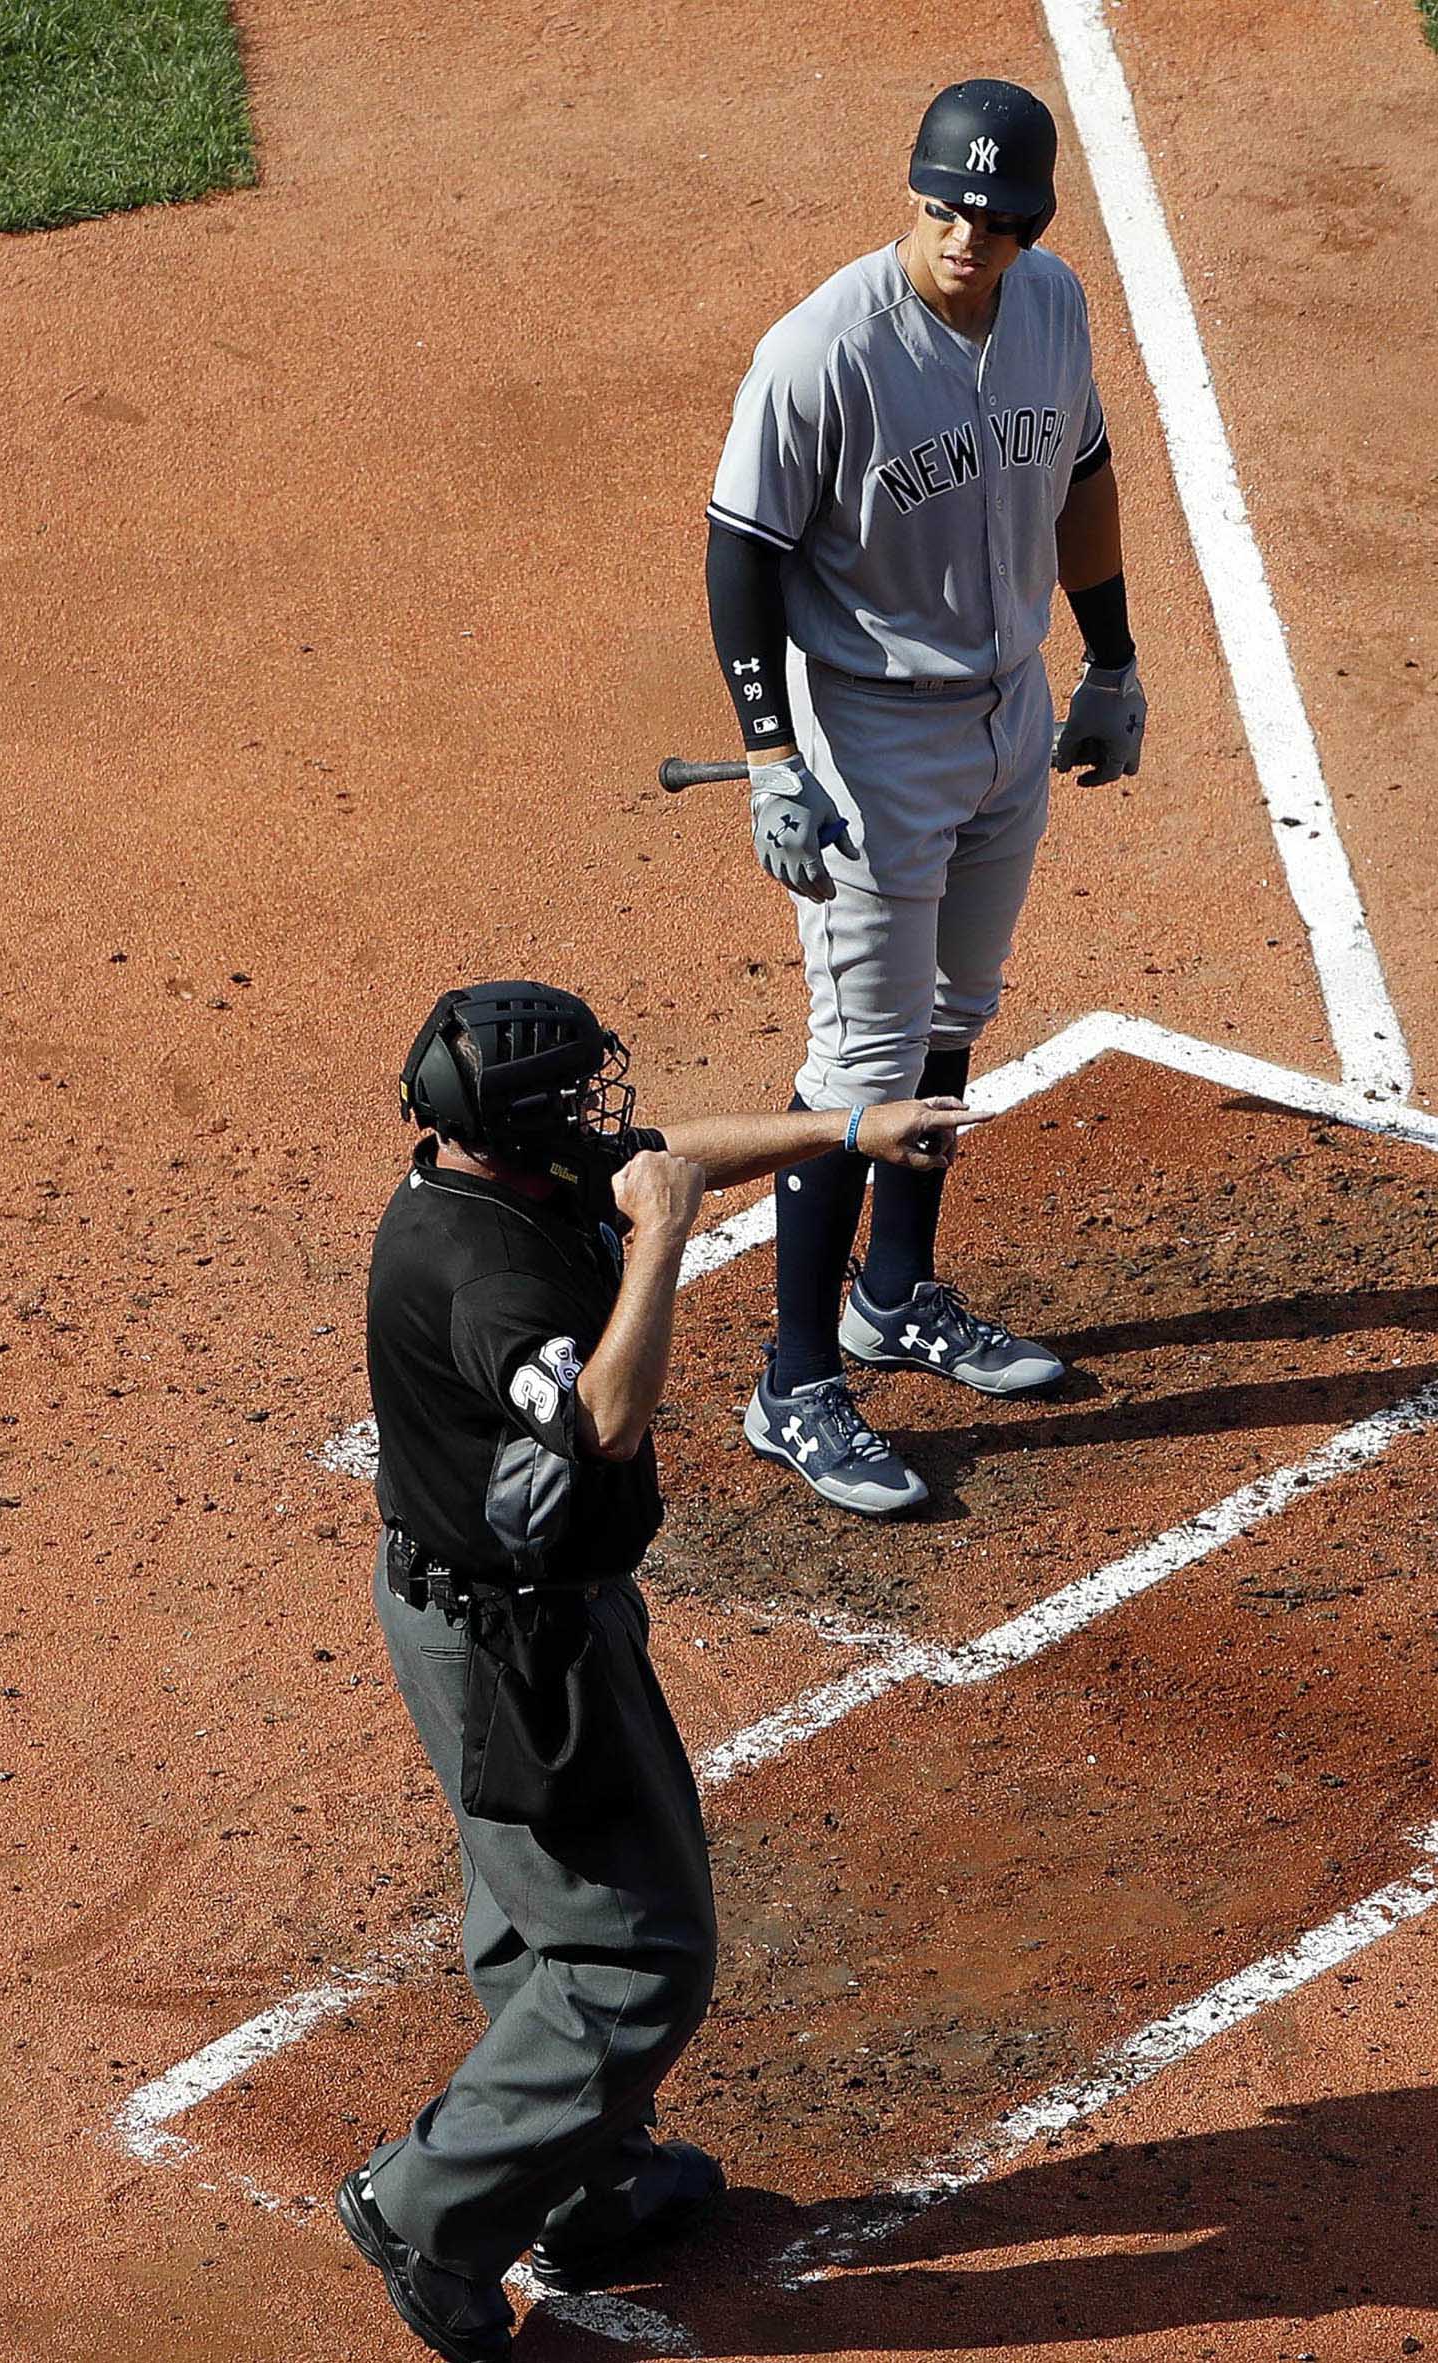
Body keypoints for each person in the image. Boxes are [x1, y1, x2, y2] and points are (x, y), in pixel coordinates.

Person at [337, 981, 973, 2361]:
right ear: (515, 1123)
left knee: (533, 1917)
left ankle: (587, 2180)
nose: (598, 1113)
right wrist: (665, 1241)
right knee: (634, 1959)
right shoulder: (487, 1274)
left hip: (494, 1609)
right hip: (516, 1640)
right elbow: (602, 1419)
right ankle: (423, 2206)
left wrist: (849, 1127)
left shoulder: (482, 1164)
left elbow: (662, 1152)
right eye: (573, 1096)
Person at [701, 76, 1147, 1517]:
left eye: (999, 216)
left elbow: (1082, 470)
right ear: (915, 193)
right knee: (860, 1058)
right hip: (870, 739)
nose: (968, 234)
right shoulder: (820, 350)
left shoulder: (1052, 307)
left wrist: (1115, 663)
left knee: (956, 1017)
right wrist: (772, 754)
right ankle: (794, 1382)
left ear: (1033, 223)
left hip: (1010, 709)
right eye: (948, 206)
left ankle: (892, 1295)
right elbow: (740, 554)